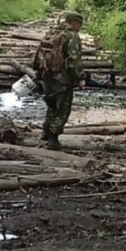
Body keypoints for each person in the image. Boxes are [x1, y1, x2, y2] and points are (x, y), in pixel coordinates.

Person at [34, 11, 85, 150]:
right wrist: (80, 78)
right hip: (62, 79)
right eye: (80, 25)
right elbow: (73, 60)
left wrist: (39, 73)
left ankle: (45, 132)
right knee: (62, 108)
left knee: (52, 104)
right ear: (74, 23)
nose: (80, 28)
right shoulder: (71, 36)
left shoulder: (53, 32)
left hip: (47, 74)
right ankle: (53, 139)